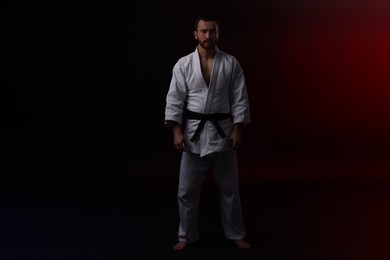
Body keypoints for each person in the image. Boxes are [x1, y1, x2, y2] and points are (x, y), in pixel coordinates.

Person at [164, 15, 251, 251]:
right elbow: (174, 100)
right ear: (195, 34)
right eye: (203, 31)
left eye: (212, 31)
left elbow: (240, 98)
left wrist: (237, 128)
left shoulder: (230, 63)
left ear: (217, 34)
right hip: (193, 135)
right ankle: (186, 236)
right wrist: (176, 131)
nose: (207, 36)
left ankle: (235, 233)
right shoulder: (183, 64)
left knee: (230, 190)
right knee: (187, 191)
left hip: (223, 133)